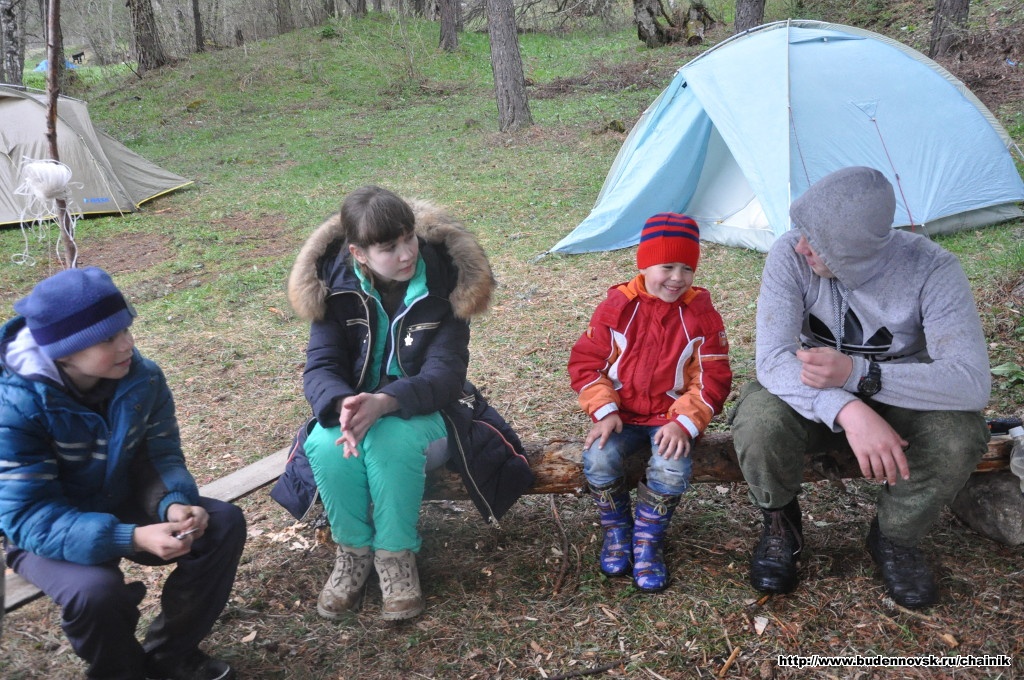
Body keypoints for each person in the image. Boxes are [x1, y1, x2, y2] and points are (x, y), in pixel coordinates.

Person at [730, 166, 991, 609]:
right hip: (813, 392)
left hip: (900, 399)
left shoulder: (931, 268)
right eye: (801, 231)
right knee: (759, 421)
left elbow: (970, 382)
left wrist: (861, 375)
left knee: (958, 436)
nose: (801, 245)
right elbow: (773, 359)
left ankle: (895, 537)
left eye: (817, 240)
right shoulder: (790, 256)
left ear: (854, 249)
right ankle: (780, 522)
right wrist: (846, 408)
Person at [284, 185, 533, 622]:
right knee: (325, 444)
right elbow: (320, 366)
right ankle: (353, 552)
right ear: (359, 254)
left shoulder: (446, 279)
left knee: (390, 441)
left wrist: (385, 401)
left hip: (432, 412)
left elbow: (445, 375)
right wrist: (344, 405)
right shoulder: (333, 285)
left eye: (408, 238)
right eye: (389, 248)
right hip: (355, 408)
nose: (406, 254)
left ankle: (395, 557)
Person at [0, 267, 246, 680]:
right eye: (108, 338)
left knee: (222, 524)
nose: (127, 344)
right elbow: (27, 516)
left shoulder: (141, 379)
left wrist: (173, 503)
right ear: (63, 352)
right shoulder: (15, 406)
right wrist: (129, 537)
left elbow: (159, 453)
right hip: (42, 530)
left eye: (126, 329)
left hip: (118, 498)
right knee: (96, 593)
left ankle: (169, 657)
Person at [568, 213, 732, 592]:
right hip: (621, 416)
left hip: (669, 418)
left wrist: (684, 423)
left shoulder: (701, 316)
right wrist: (604, 411)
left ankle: (648, 539)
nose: (677, 277)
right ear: (644, 264)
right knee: (598, 457)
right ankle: (617, 530)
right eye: (667, 266)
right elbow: (587, 364)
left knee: (672, 467)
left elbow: (713, 377)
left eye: (687, 268)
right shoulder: (617, 308)